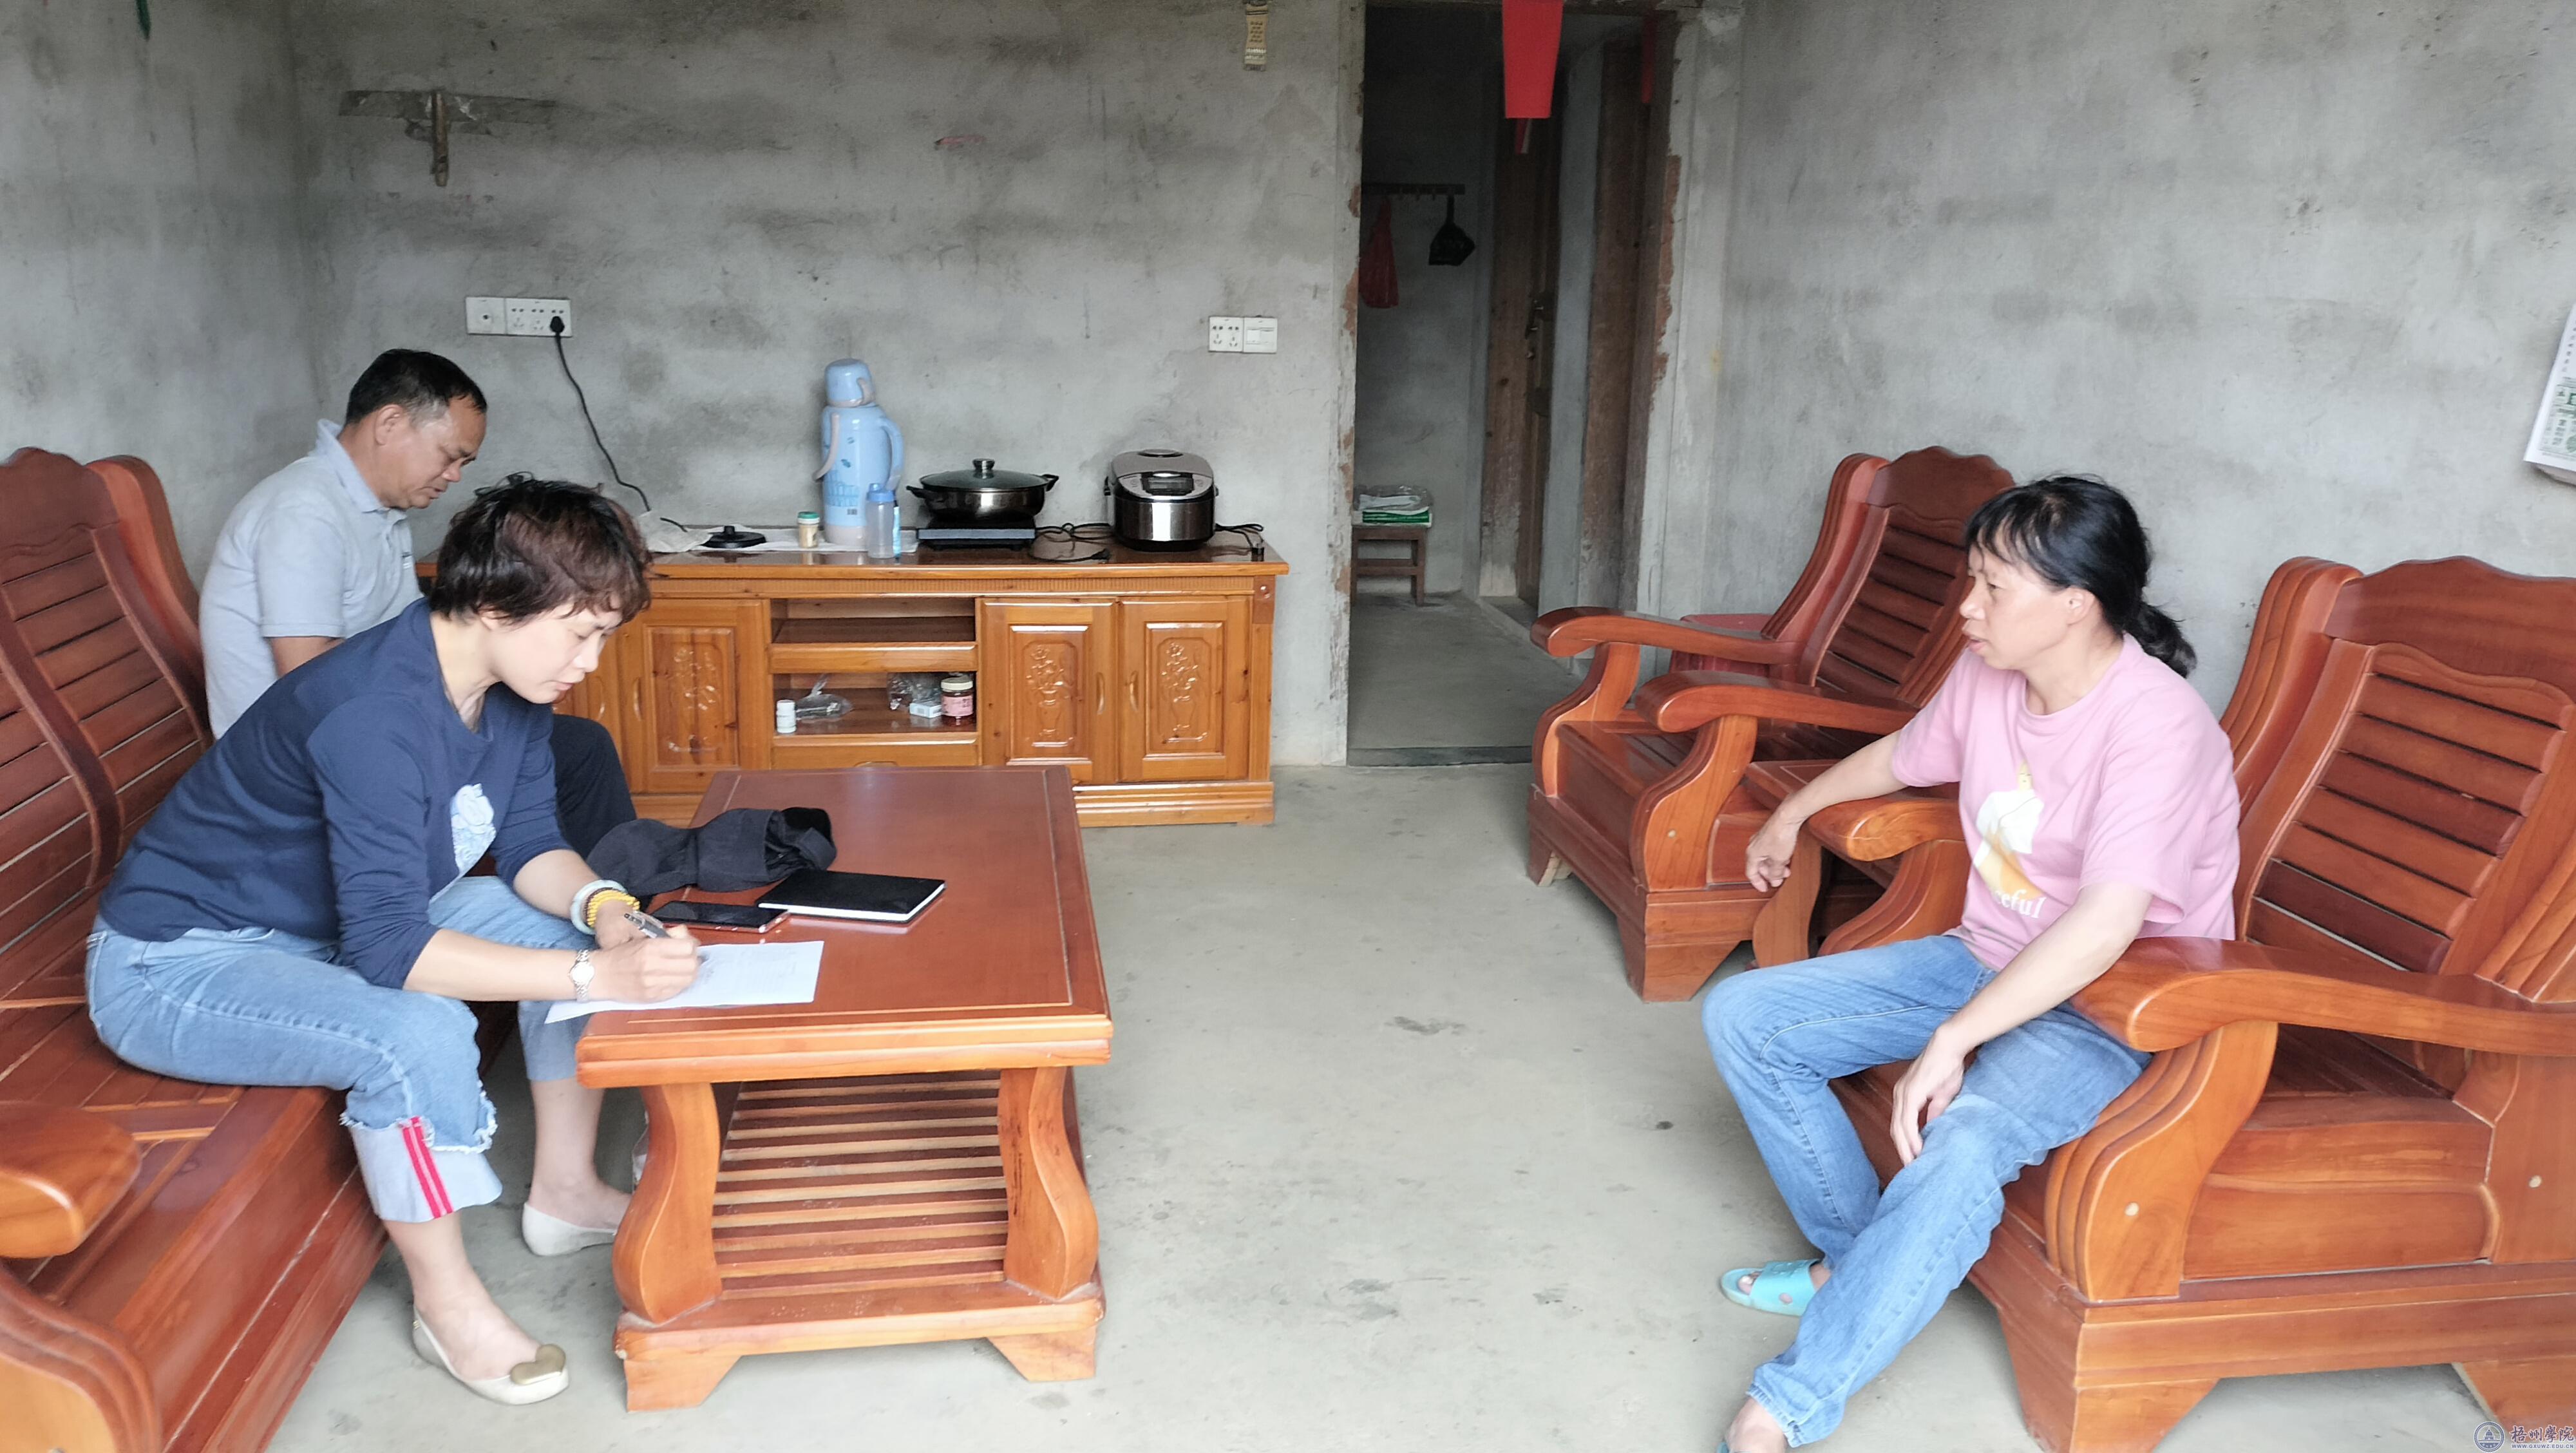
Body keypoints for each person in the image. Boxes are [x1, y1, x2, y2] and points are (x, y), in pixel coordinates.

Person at [88, 479, 702, 1406]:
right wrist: (593, 971)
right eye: (579, 633)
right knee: (414, 1035)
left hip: (326, 928)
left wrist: (606, 909)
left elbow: (532, 844)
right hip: (178, 964)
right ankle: (446, 1307)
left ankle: (566, 1191)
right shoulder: (373, 711)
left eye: (604, 636)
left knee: (558, 924)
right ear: (494, 604)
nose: (591, 660)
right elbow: (388, 951)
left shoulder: (506, 691)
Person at [1700, 477, 2239, 1451]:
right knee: (1747, 1019)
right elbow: (1905, 755)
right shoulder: (1991, 673)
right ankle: (1860, 1262)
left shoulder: (2158, 727)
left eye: (1994, 587)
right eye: (1972, 580)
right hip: (1984, 959)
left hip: (2113, 1001)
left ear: (2074, 605)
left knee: (1968, 1136)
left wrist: (1955, 1040)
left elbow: (2108, 924)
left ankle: (1788, 1405)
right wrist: (1792, 810)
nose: (1967, 607)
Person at [197, 348, 636, 854]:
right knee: (567, 752)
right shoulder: (304, 511)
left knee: (569, 742)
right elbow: (307, 677)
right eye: (450, 456)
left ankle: (608, 889)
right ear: (390, 424)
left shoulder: (377, 512)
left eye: (464, 463)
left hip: (385, 724)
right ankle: (610, 891)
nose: (455, 476)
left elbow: (412, 641)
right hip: (313, 760)